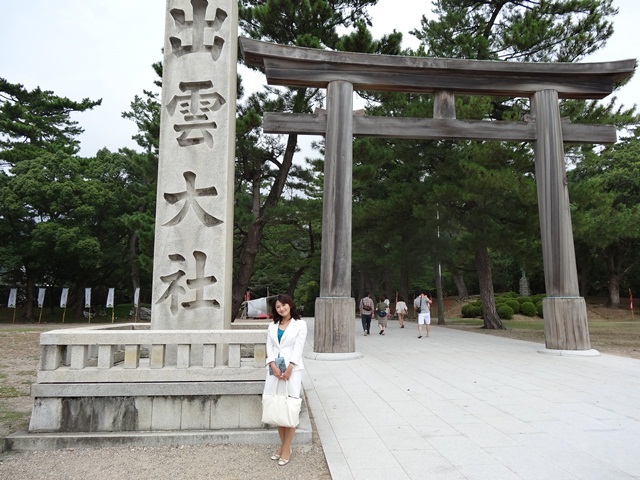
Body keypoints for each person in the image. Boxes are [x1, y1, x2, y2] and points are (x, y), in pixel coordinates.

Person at [264, 294, 308, 466]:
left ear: (290, 305)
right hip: (274, 371)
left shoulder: (300, 324)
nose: (281, 309)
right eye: (278, 307)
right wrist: (272, 365)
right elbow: (269, 346)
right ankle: (283, 446)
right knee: (278, 407)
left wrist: (290, 368)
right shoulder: (272, 325)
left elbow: (298, 347)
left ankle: (286, 448)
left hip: (292, 370)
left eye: (284, 305)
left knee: (290, 407)